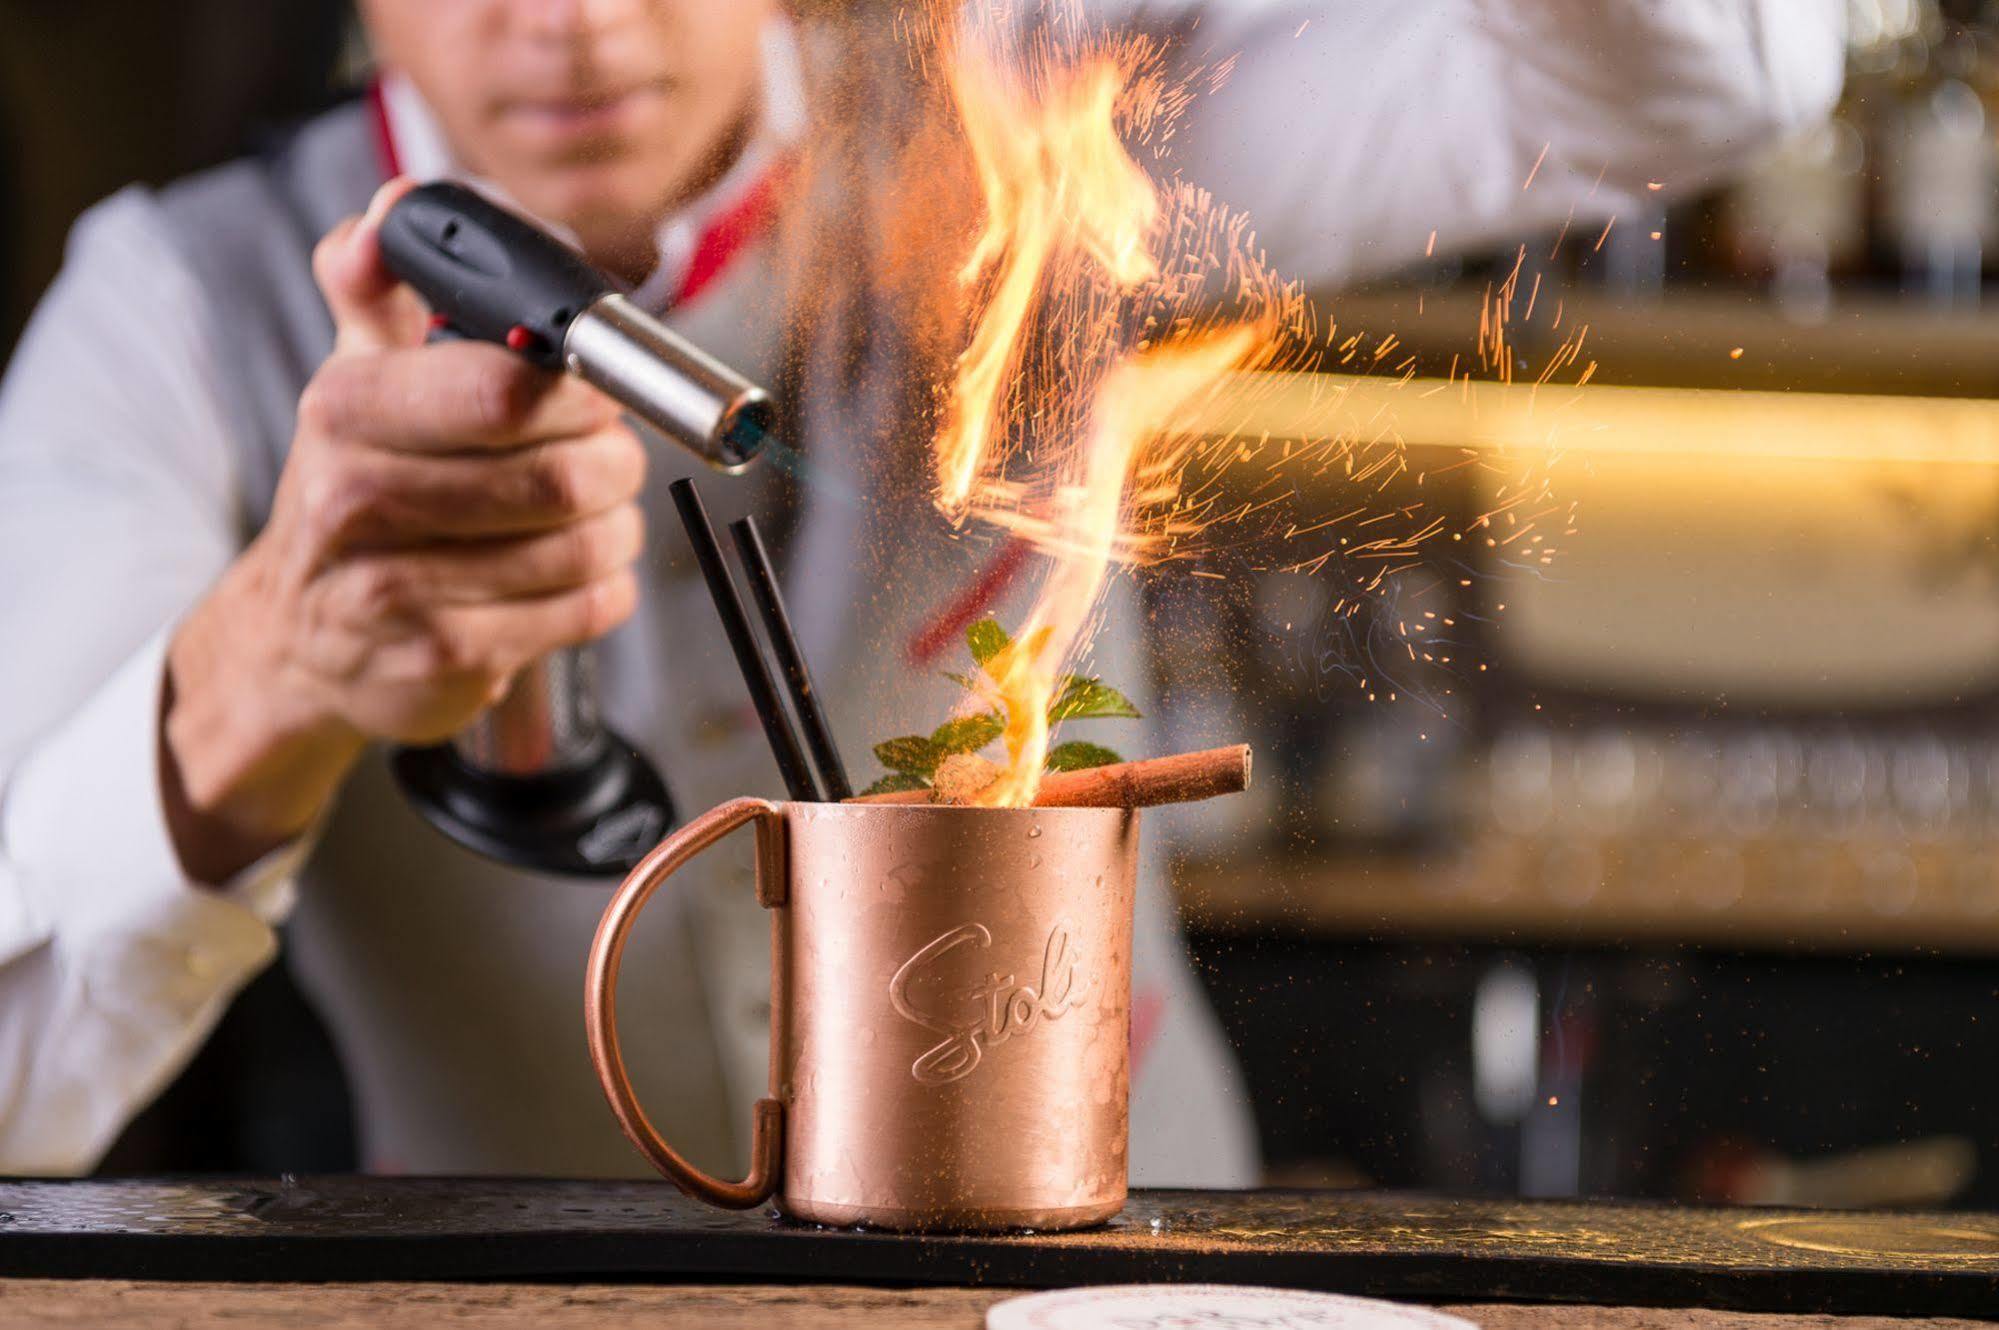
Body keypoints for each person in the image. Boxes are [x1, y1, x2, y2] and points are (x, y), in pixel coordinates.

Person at [0, 1, 1843, 1177]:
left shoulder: (1028, 123)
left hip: (1112, 1282)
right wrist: (266, 672)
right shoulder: (172, 315)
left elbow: (1717, 75)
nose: (573, 24)